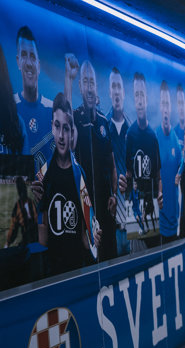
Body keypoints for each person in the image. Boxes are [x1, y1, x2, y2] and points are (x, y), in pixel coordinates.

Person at [38, 92, 102, 276]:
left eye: (65, 128)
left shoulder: (79, 175)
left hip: (76, 268)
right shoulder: (43, 174)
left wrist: (94, 240)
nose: (61, 135)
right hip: (52, 271)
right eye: (57, 126)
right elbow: (43, 234)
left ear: (71, 132)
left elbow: (84, 235)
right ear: (52, 127)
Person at [64, 57, 118, 261]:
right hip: (85, 209)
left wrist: (114, 195)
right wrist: (68, 79)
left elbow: (113, 166)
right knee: (90, 261)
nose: (89, 87)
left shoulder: (104, 122)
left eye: (92, 82)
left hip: (106, 208)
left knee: (111, 261)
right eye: (85, 82)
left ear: (96, 87)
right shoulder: (76, 117)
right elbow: (66, 123)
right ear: (80, 86)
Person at [125, 72, 161, 246]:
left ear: (146, 99)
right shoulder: (130, 135)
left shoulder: (153, 137)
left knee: (154, 252)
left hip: (151, 204)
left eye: (142, 95)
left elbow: (158, 176)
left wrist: (159, 194)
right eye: (136, 95)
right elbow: (128, 174)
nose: (139, 100)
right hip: (135, 208)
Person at [14, 26, 53, 176]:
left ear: (39, 65)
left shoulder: (52, 109)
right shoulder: (9, 108)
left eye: (33, 56)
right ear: (18, 61)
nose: (29, 63)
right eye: (24, 55)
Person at [107, 67, 131, 255]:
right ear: (110, 92)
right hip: (112, 226)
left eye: (119, 87)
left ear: (123, 92)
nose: (116, 91)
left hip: (131, 224)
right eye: (113, 86)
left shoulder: (132, 131)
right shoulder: (103, 128)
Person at [155, 80, 181, 242]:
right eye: (163, 104)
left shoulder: (176, 141)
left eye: (168, 104)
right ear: (160, 107)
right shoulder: (154, 137)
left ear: (171, 108)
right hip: (159, 224)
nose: (165, 108)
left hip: (176, 222)